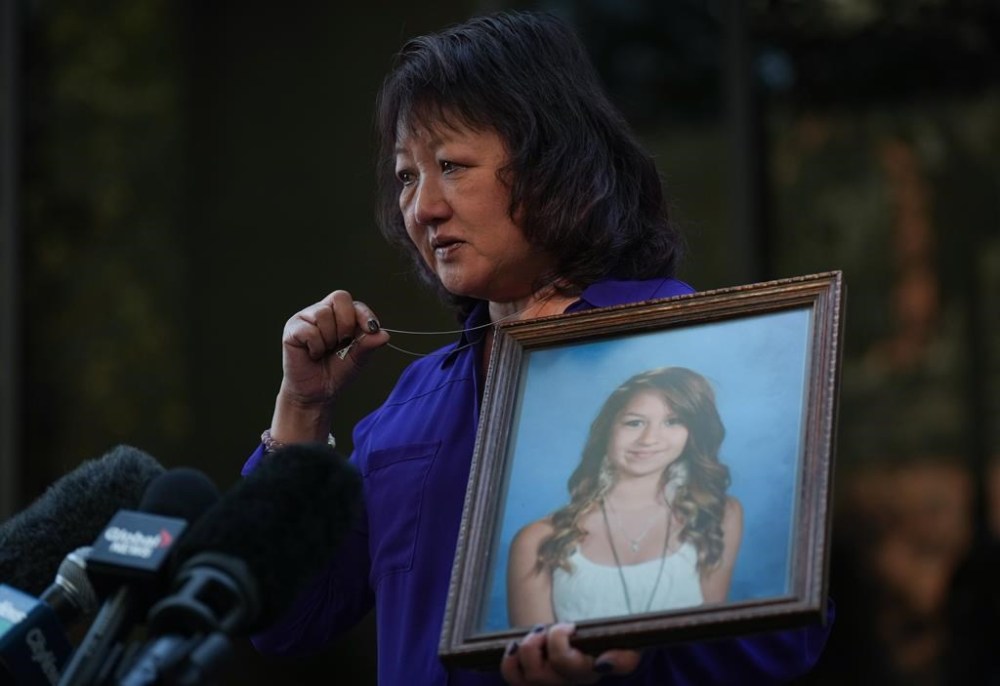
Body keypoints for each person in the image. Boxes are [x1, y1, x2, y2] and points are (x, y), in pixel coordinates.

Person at [242, 9, 833, 686]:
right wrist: (301, 410)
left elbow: (784, 643)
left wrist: (628, 658)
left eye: (452, 166)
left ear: (552, 164)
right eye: (407, 176)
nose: (423, 207)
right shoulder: (416, 397)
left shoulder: (689, 353)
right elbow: (288, 620)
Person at [508, 367, 743, 626]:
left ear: (693, 433)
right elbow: (535, 660)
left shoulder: (718, 515)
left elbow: (708, 635)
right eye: (634, 423)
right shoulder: (537, 541)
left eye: (673, 421)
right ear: (607, 431)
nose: (649, 439)